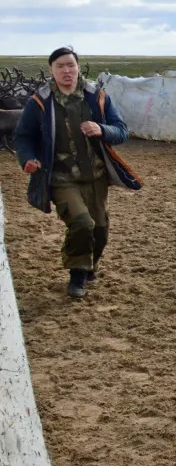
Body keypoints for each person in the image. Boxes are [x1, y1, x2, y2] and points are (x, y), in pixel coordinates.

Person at [14, 46, 141, 298]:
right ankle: (77, 275)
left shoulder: (97, 97)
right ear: (52, 70)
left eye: (70, 65)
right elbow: (23, 136)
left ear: (78, 67)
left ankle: (90, 265)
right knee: (82, 223)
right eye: (60, 66)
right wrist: (28, 159)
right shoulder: (40, 102)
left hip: (96, 177)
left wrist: (102, 129)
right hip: (61, 179)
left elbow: (121, 130)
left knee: (100, 229)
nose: (66, 70)